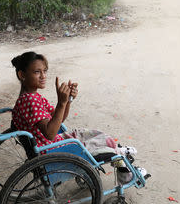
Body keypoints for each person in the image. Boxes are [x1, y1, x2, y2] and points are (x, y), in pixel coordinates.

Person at [10, 51, 143, 182]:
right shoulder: (30, 101)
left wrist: (67, 100)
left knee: (92, 135)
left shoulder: (32, 97)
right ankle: (121, 160)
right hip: (51, 151)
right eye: (37, 72)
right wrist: (61, 102)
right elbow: (50, 133)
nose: (43, 76)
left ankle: (118, 151)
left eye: (45, 71)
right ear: (22, 75)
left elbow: (59, 119)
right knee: (96, 144)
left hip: (48, 146)